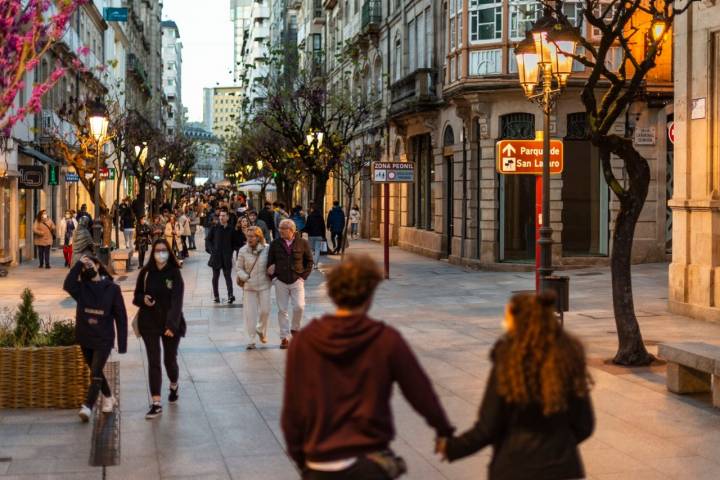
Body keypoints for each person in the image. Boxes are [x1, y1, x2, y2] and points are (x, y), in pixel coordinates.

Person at [281, 255, 454, 479]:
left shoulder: (305, 341)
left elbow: (293, 409)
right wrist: (444, 431)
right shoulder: (385, 339)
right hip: (369, 461)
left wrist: (302, 460)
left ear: (332, 293)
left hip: (320, 461)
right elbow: (420, 392)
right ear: (370, 293)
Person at [437, 292, 595, 480]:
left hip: (515, 468)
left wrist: (451, 447)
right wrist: (559, 446)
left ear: (518, 321)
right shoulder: (567, 360)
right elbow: (584, 425)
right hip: (562, 469)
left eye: (507, 317)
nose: (505, 322)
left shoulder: (508, 363)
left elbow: (488, 428)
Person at [63, 255, 127, 422]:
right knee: (95, 370)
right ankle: (108, 396)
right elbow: (67, 284)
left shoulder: (112, 289)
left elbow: (121, 317)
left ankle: (88, 406)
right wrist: (78, 264)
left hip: (103, 338)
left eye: (90, 264)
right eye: (84, 268)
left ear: (98, 265)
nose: (87, 268)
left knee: (96, 371)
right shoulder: (82, 288)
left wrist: (122, 343)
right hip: (85, 336)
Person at [133, 239, 186, 419]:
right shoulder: (146, 272)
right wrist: (143, 299)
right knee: (154, 361)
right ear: (152, 252)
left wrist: (171, 325)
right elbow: (136, 296)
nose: (160, 253)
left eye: (164, 250)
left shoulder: (174, 273)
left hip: (170, 323)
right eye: (157, 250)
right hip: (149, 322)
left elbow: (177, 301)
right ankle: (156, 402)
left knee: (169, 360)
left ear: (169, 252)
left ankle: (174, 384)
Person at [267, 219, 313, 349]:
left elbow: (309, 261)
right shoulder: (275, 244)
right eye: (279, 228)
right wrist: (274, 278)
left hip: (297, 280)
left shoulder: (303, 243)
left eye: (283, 228)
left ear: (291, 230)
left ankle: (295, 329)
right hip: (280, 281)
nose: (280, 231)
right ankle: (284, 337)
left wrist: (303, 277)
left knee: (299, 306)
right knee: (282, 310)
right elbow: (269, 263)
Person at [236, 226, 271, 350]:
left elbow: (272, 263)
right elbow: (238, 268)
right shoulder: (242, 250)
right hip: (249, 286)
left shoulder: (267, 249)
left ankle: (261, 329)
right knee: (250, 314)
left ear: (259, 237)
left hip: (264, 284)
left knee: (265, 311)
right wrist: (244, 277)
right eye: (248, 236)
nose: (249, 239)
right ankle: (251, 340)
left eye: (252, 236)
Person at [206, 210, 237, 304]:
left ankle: (230, 295)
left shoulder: (231, 229)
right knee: (215, 276)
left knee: (228, 276)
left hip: (227, 256)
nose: (221, 217)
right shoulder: (214, 228)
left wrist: (231, 251)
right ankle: (216, 296)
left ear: (227, 217)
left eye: (223, 216)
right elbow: (208, 240)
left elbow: (234, 242)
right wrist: (212, 250)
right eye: (220, 216)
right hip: (216, 256)